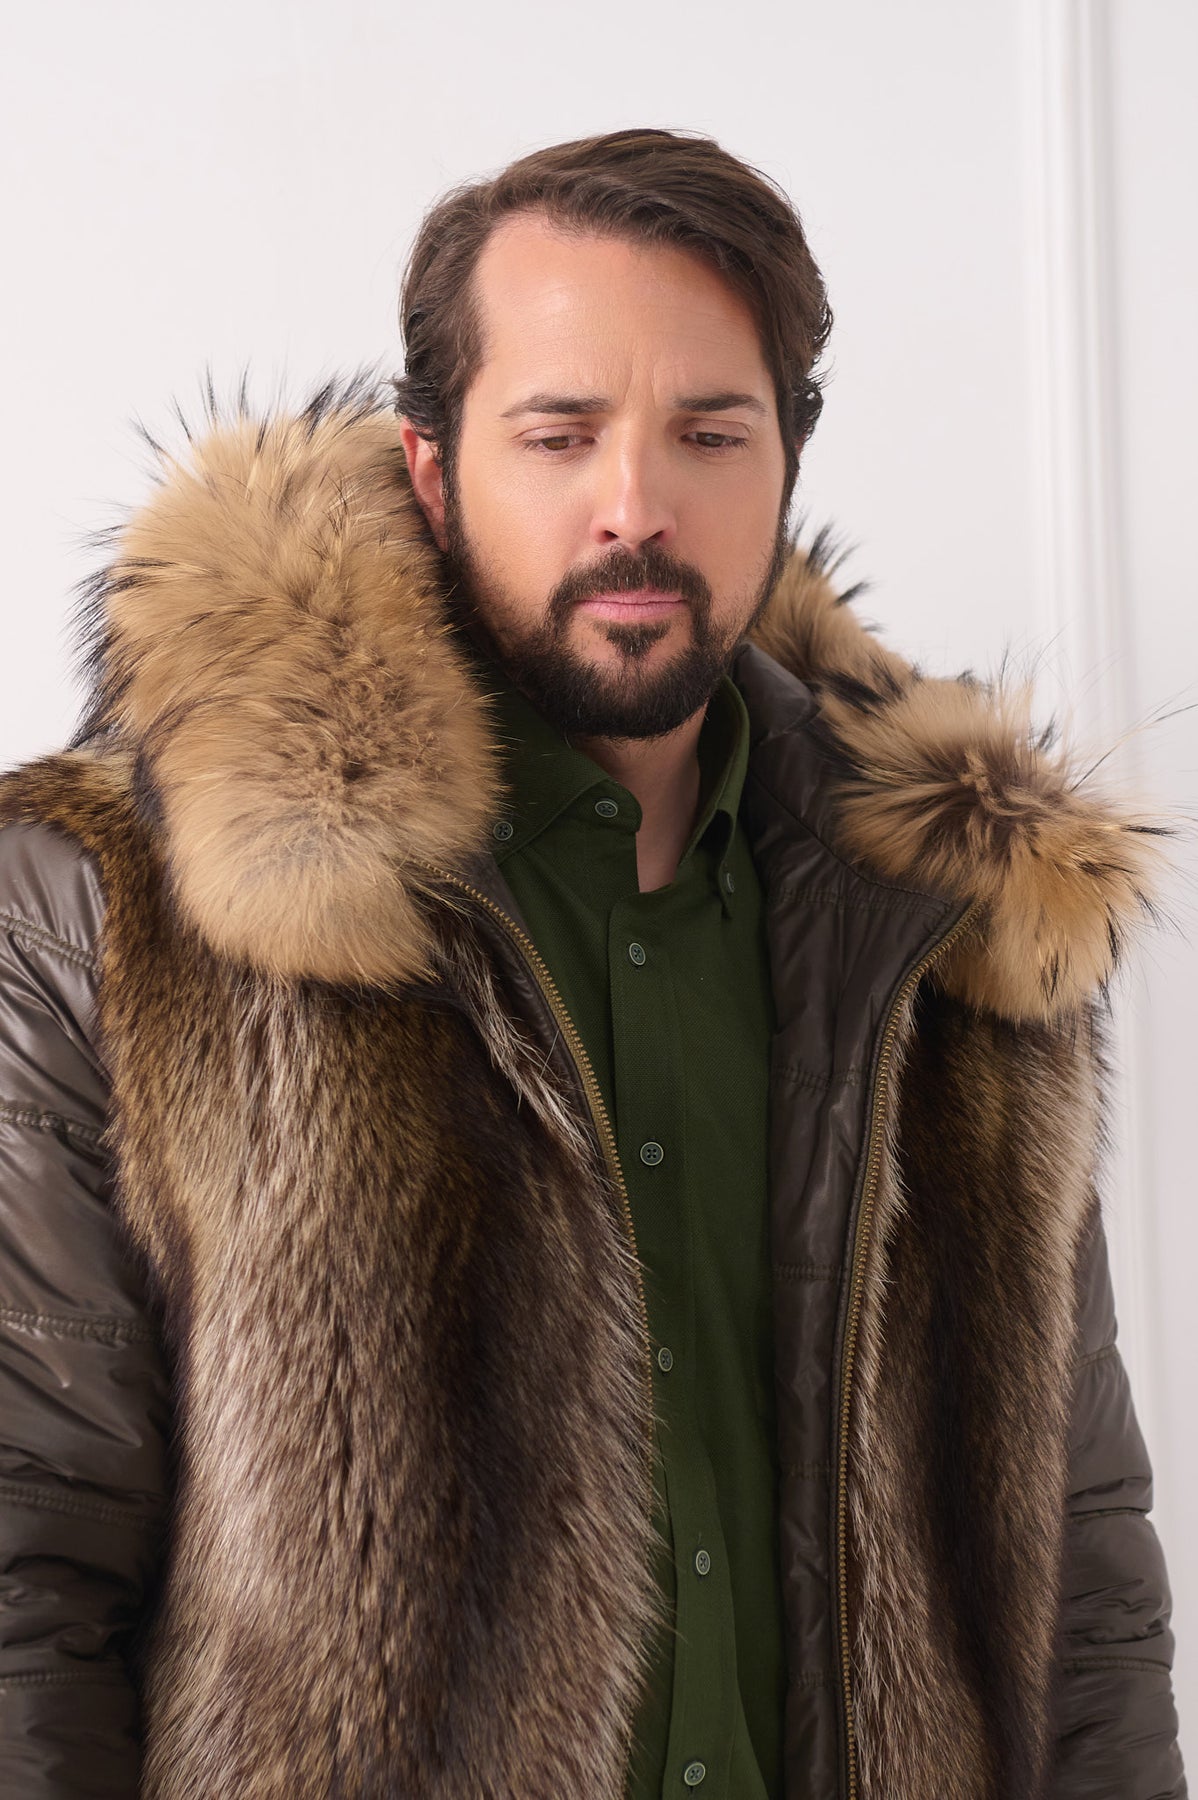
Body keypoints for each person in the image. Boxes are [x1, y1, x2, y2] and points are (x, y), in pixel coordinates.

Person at [0, 126, 1183, 1800]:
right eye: (558, 435)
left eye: (709, 433)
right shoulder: (117, 907)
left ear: (786, 460)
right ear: (431, 466)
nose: (636, 507)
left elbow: (1079, 1573)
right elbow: (27, 1568)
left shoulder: (957, 925)